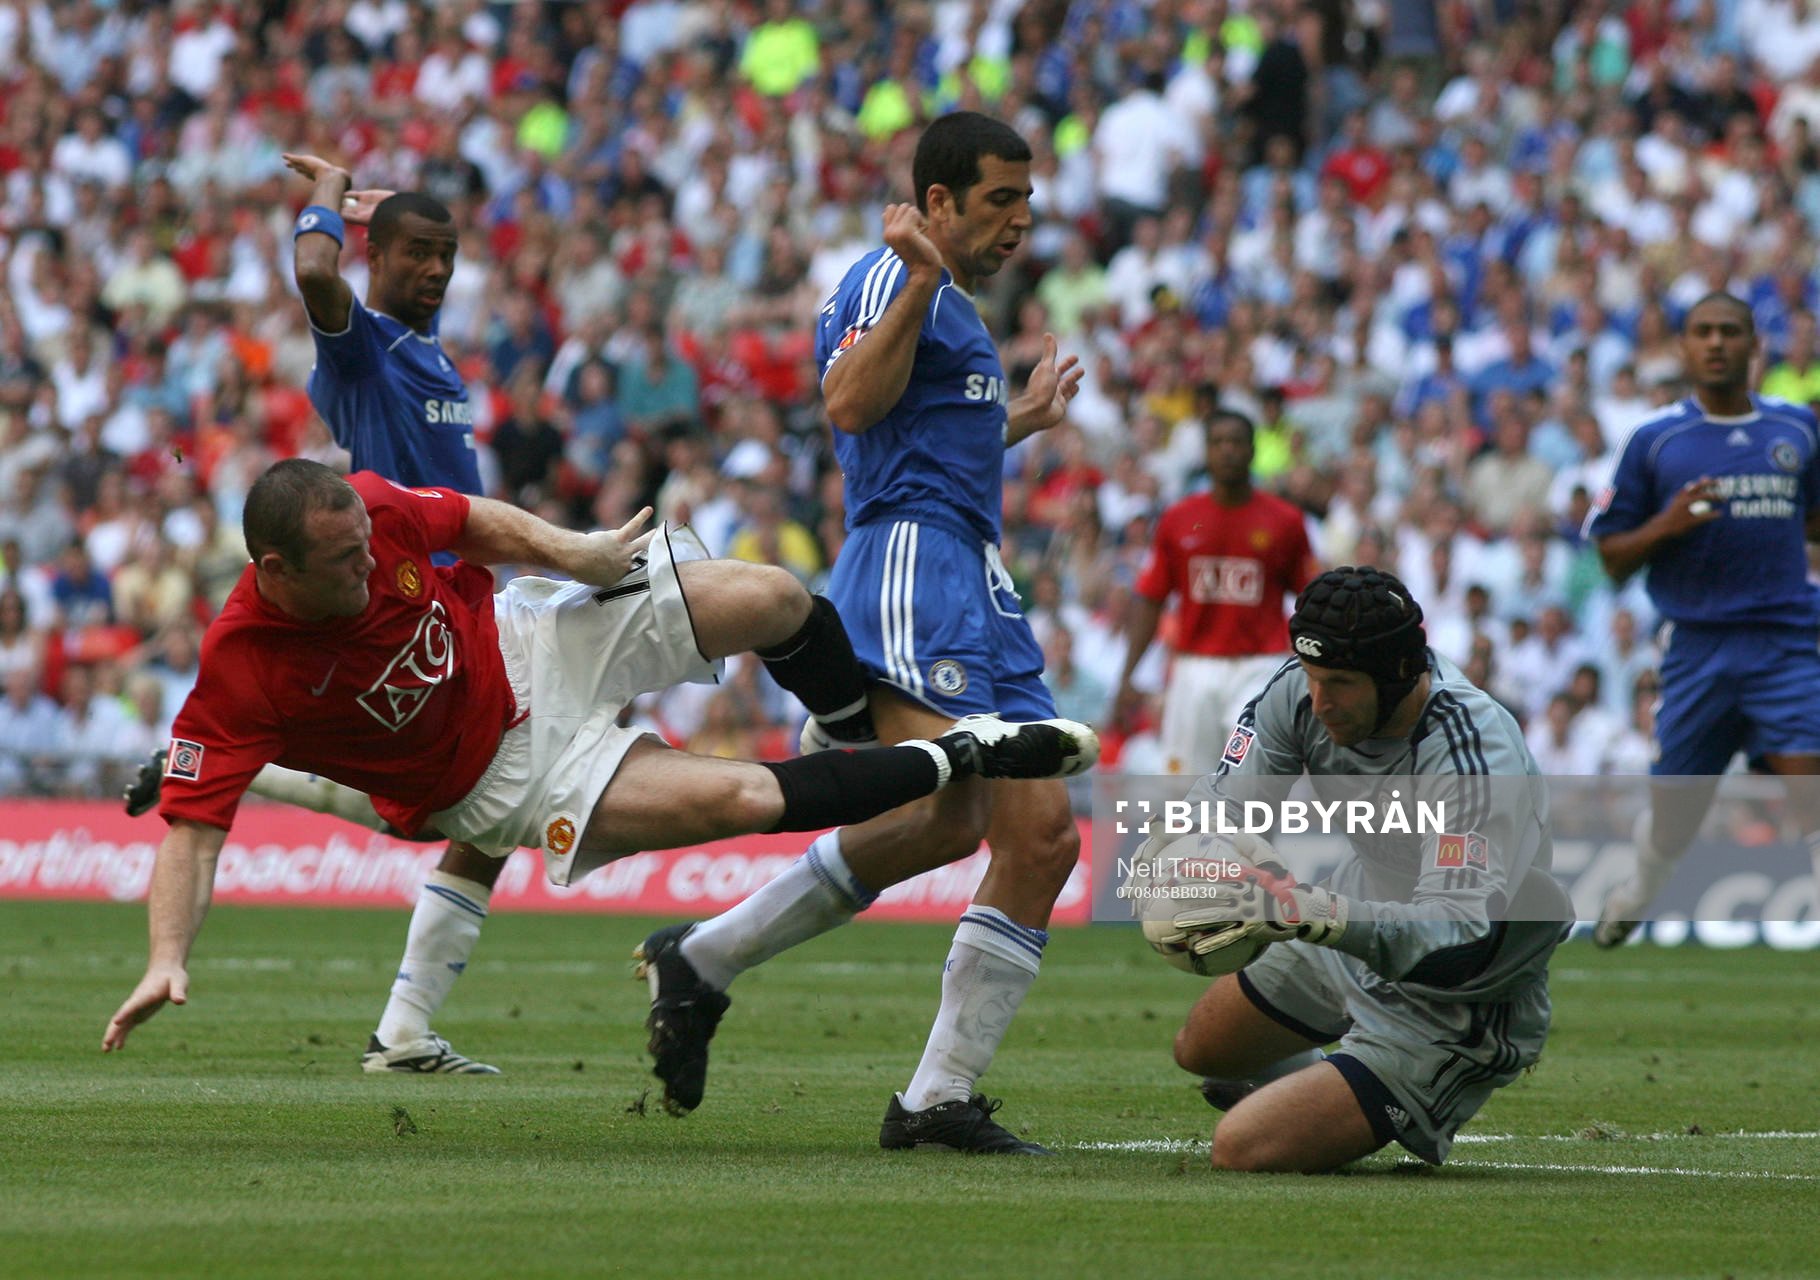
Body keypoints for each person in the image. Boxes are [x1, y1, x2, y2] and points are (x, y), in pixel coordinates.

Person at [102, 461, 1098, 1056]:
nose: (370, 564)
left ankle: (847, 730)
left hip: (529, 642)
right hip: (503, 779)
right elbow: (191, 837)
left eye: (367, 544)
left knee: (772, 597)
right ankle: (968, 751)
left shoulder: (367, 511)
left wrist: (573, 552)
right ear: (275, 570)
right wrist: (165, 959)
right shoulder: (241, 671)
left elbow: (468, 519)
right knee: (748, 797)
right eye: (344, 563)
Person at [633, 112, 1088, 1154]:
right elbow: (847, 403)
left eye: (1026, 199)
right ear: (937, 202)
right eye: (999, 199)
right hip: (914, 565)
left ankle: (728, 973)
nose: (1020, 220)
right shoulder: (894, 277)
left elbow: (921, 429)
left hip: (974, 572)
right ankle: (729, 952)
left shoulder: (950, 301)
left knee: (1025, 835)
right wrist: (921, 279)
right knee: (964, 805)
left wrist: (1017, 421)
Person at [124, 158, 518, 1074]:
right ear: (374, 260)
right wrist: (329, 194)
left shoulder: (424, 350)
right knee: (469, 806)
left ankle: (404, 1032)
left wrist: (379, 216)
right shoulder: (364, 350)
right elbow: (312, 271)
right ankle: (403, 1031)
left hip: (463, 596)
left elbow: (391, 263)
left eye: (447, 254)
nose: (436, 269)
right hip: (417, 600)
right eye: (416, 253)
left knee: (475, 816)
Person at [1153, 566, 1570, 1171]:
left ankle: (1376, 1081)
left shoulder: (1473, 754)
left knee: (1240, 1148)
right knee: (1203, 1048)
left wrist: (1314, 913)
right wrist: (1192, 855)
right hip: (1356, 909)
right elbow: (1223, 808)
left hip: (1463, 986)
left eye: (1341, 684)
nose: (1320, 700)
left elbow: (1455, 932)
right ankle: (1336, 1085)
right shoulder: (1299, 691)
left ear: (1398, 675)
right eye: (1312, 676)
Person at [1587, 293, 1820, 946]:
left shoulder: (1798, 429)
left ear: (1754, 346)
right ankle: (1641, 889)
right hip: (1697, 651)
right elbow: (1611, 558)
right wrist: (1665, 525)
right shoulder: (1655, 441)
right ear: (1683, 348)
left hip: (1785, 644)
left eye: (1730, 332)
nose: (1717, 343)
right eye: (1703, 332)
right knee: (1673, 825)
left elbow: (1813, 519)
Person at [1116, 409, 1316, 775]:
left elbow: (1311, 599)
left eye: (1236, 442)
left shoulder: (1285, 521)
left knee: (1252, 773)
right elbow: (1151, 598)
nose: (1227, 450)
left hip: (1260, 666)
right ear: (1206, 452)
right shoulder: (1178, 519)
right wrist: (1127, 674)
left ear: (1252, 451)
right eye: (1218, 442)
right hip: (1194, 667)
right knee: (1185, 782)